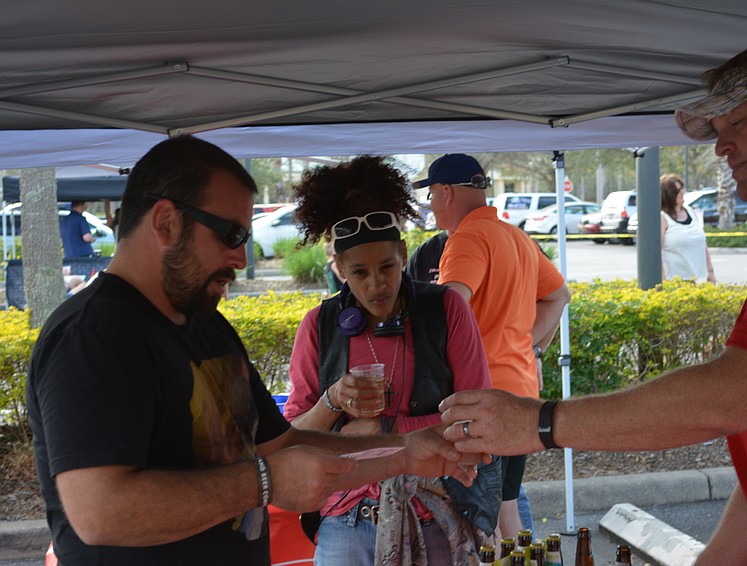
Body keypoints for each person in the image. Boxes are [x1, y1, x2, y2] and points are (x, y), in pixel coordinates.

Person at [439, 36, 747, 565]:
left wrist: (541, 423)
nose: (721, 147)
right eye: (718, 132)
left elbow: (731, 398)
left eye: (737, 124)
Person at [26, 136, 479, 566]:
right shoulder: (95, 335)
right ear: (165, 222)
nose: (241, 259)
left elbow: (285, 443)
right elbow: (101, 512)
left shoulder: (207, 324)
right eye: (230, 235)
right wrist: (266, 481)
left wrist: (403, 451)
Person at [284, 156, 499, 565]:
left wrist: (385, 430)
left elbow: (478, 417)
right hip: (345, 519)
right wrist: (332, 400)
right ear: (340, 268)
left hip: (435, 513)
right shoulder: (318, 326)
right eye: (359, 273)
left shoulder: (446, 309)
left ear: (403, 252)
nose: (376, 284)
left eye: (386, 266)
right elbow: (292, 437)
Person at [413, 153, 570, 539]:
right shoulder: (516, 236)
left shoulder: (467, 237)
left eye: (431, 195)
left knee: (480, 523)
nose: (431, 205)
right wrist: (528, 347)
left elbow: (450, 307)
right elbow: (559, 296)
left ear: (447, 192)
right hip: (521, 397)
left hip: (482, 402)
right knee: (507, 512)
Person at [659, 173, 716, 283]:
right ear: (668, 195)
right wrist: (662, 280)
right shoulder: (662, 218)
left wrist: (710, 271)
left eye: (682, 189)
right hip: (677, 281)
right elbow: (657, 253)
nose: (682, 193)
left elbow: (703, 246)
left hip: (701, 279)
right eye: (677, 191)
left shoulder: (691, 212)